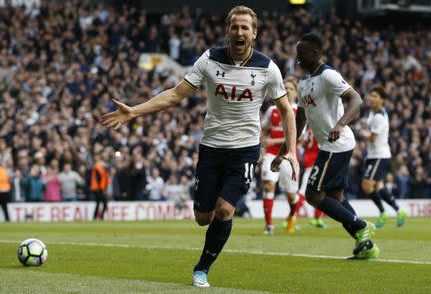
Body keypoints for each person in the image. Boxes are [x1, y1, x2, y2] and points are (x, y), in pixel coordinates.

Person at [102, 6, 298, 287]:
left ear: (254, 33)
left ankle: (202, 268)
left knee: (225, 210)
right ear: (228, 31)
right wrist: (134, 111)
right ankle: (205, 241)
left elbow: (287, 110)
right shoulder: (209, 59)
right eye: (235, 27)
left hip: (244, 149)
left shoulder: (268, 68)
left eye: (245, 28)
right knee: (203, 217)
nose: (239, 32)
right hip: (211, 147)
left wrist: (290, 149)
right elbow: (175, 95)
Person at [272, 32, 379, 260]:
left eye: (302, 53)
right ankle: (366, 244)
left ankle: (360, 226)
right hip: (329, 146)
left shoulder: (329, 75)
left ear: (316, 53)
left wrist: (341, 124)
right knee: (336, 197)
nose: (298, 58)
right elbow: (299, 121)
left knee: (312, 195)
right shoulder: (303, 83)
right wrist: (284, 152)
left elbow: (356, 99)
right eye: (297, 53)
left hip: (337, 145)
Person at [360, 86, 407, 228]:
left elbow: (373, 138)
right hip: (375, 155)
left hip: (380, 156)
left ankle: (382, 212)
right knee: (378, 187)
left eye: (375, 96)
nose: (371, 98)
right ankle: (399, 211)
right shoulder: (373, 113)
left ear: (382, 99)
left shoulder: (379, 116)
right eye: (371, 96)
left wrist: (362, 133)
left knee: (366, 186)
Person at [261, 77, 302, 234]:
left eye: (291, 88)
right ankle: (269, 226)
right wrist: (264, 141)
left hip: (289, 155)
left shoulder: (299, 112)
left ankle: (292, 214)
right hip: (271, 154)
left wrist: (274, 140)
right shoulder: (272, 110)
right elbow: (263, 129)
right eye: (284, 88)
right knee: (268, 184)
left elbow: (298, 137)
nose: (287, 91)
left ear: (296, 93)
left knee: (291, 196)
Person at [298, 127, 326, 228]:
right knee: (303, 191)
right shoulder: (320, 128)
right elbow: (322, 146)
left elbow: (304, 144)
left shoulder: (310, 130)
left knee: (321, 191)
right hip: (316, 162)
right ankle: (291, 218)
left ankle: (317, 218)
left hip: (309, 160)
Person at [91, 153, 109, 220]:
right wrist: (102, 189)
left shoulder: (98, 166)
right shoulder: (98, 167)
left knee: (98, 202)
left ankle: (96, 216)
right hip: (99, 188)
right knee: (104, 202)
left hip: (98, 188)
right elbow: (99, 179)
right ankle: (100, 216)